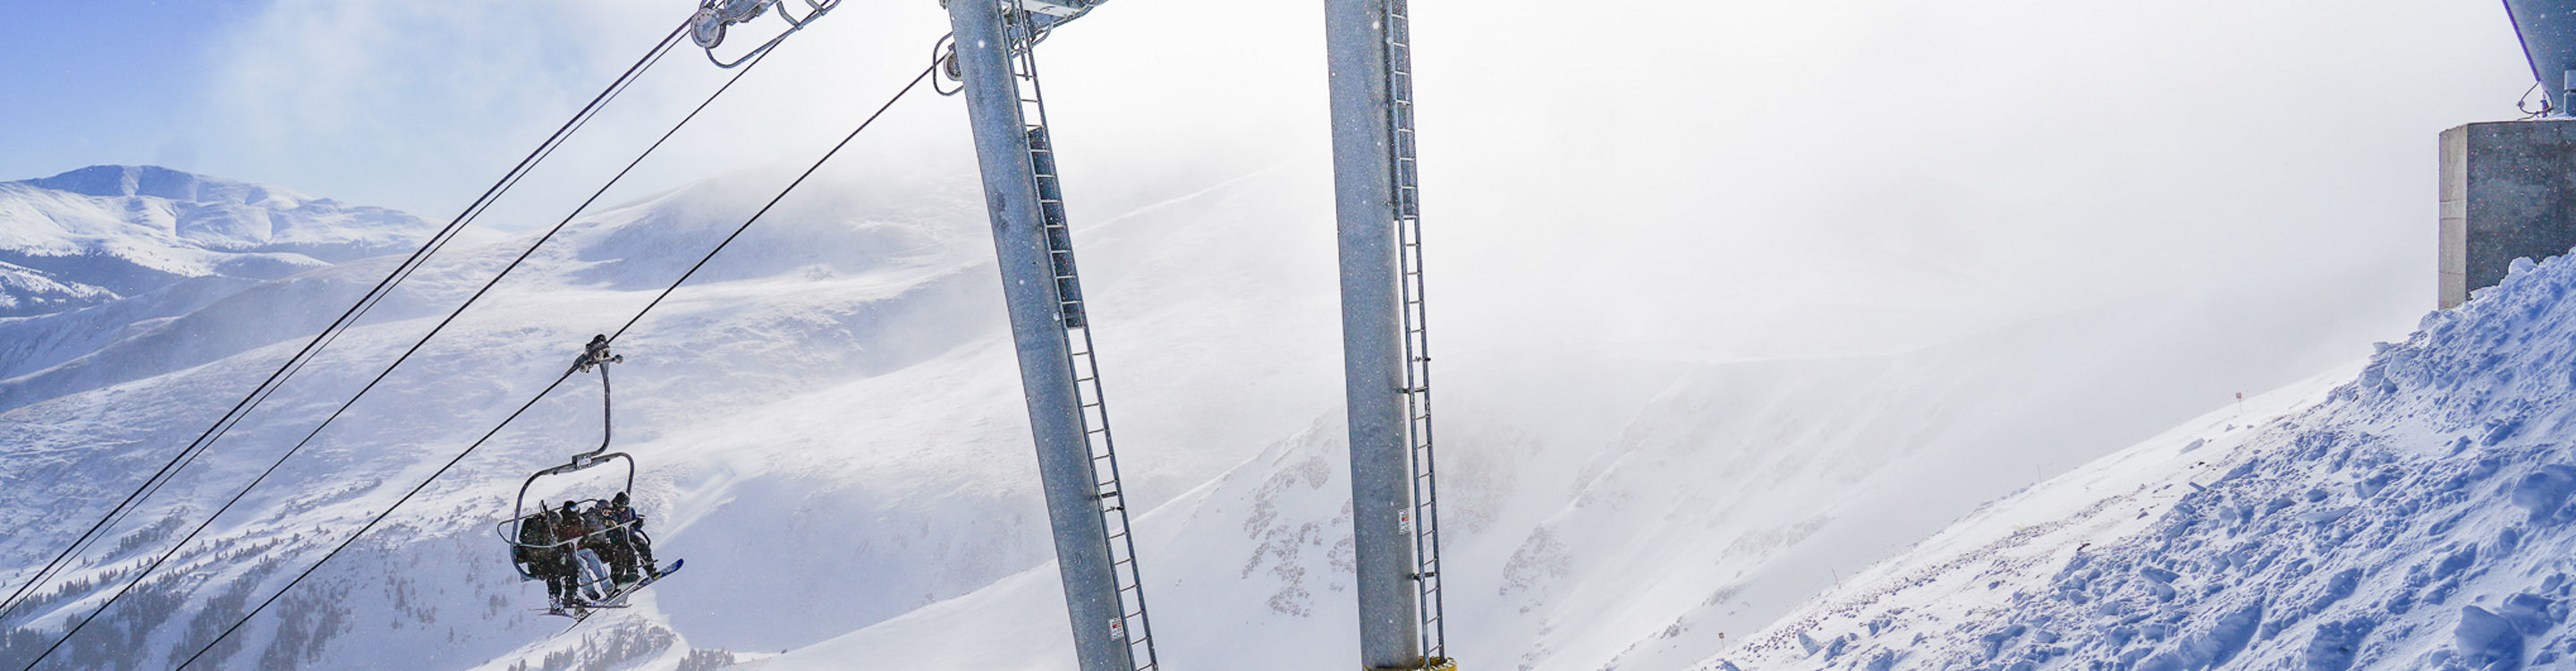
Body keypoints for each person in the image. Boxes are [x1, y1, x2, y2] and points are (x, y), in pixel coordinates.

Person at [554, 501, 607, 603]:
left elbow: (586, 531)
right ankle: (589, 590)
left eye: (576, 508)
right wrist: (565, 545)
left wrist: (586, 536)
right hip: (568, 552)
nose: (576, 511)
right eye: (573, 509)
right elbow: (557, 538)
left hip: (580, 548)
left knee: (592, 556)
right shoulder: (561, 522)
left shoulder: (580, 521)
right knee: (582, 564)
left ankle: (607, 585)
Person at [517, 505, 568, 612]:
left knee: (571, 567)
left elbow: (554, 549)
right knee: (553, 572)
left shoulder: (551, 532)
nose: (556, 527)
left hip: (549, 560)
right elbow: (531, 545)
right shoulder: (533, 527)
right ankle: (554, 600)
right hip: (537, 563)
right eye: (555, 525)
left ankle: (571, 595)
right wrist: (548, 544)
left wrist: (561, 554)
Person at [602, 492, 656, 586]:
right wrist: (610, 525)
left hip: (629, 535)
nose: (622, 508)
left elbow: (635, 523)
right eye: (620, 506)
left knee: (643, 545)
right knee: (626, 552)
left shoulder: (630, 510)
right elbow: (604, 525)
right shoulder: (611, 511)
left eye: (624, 506)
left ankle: (650, 569)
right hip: (617, 539)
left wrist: (638, 523)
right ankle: (623, 577)